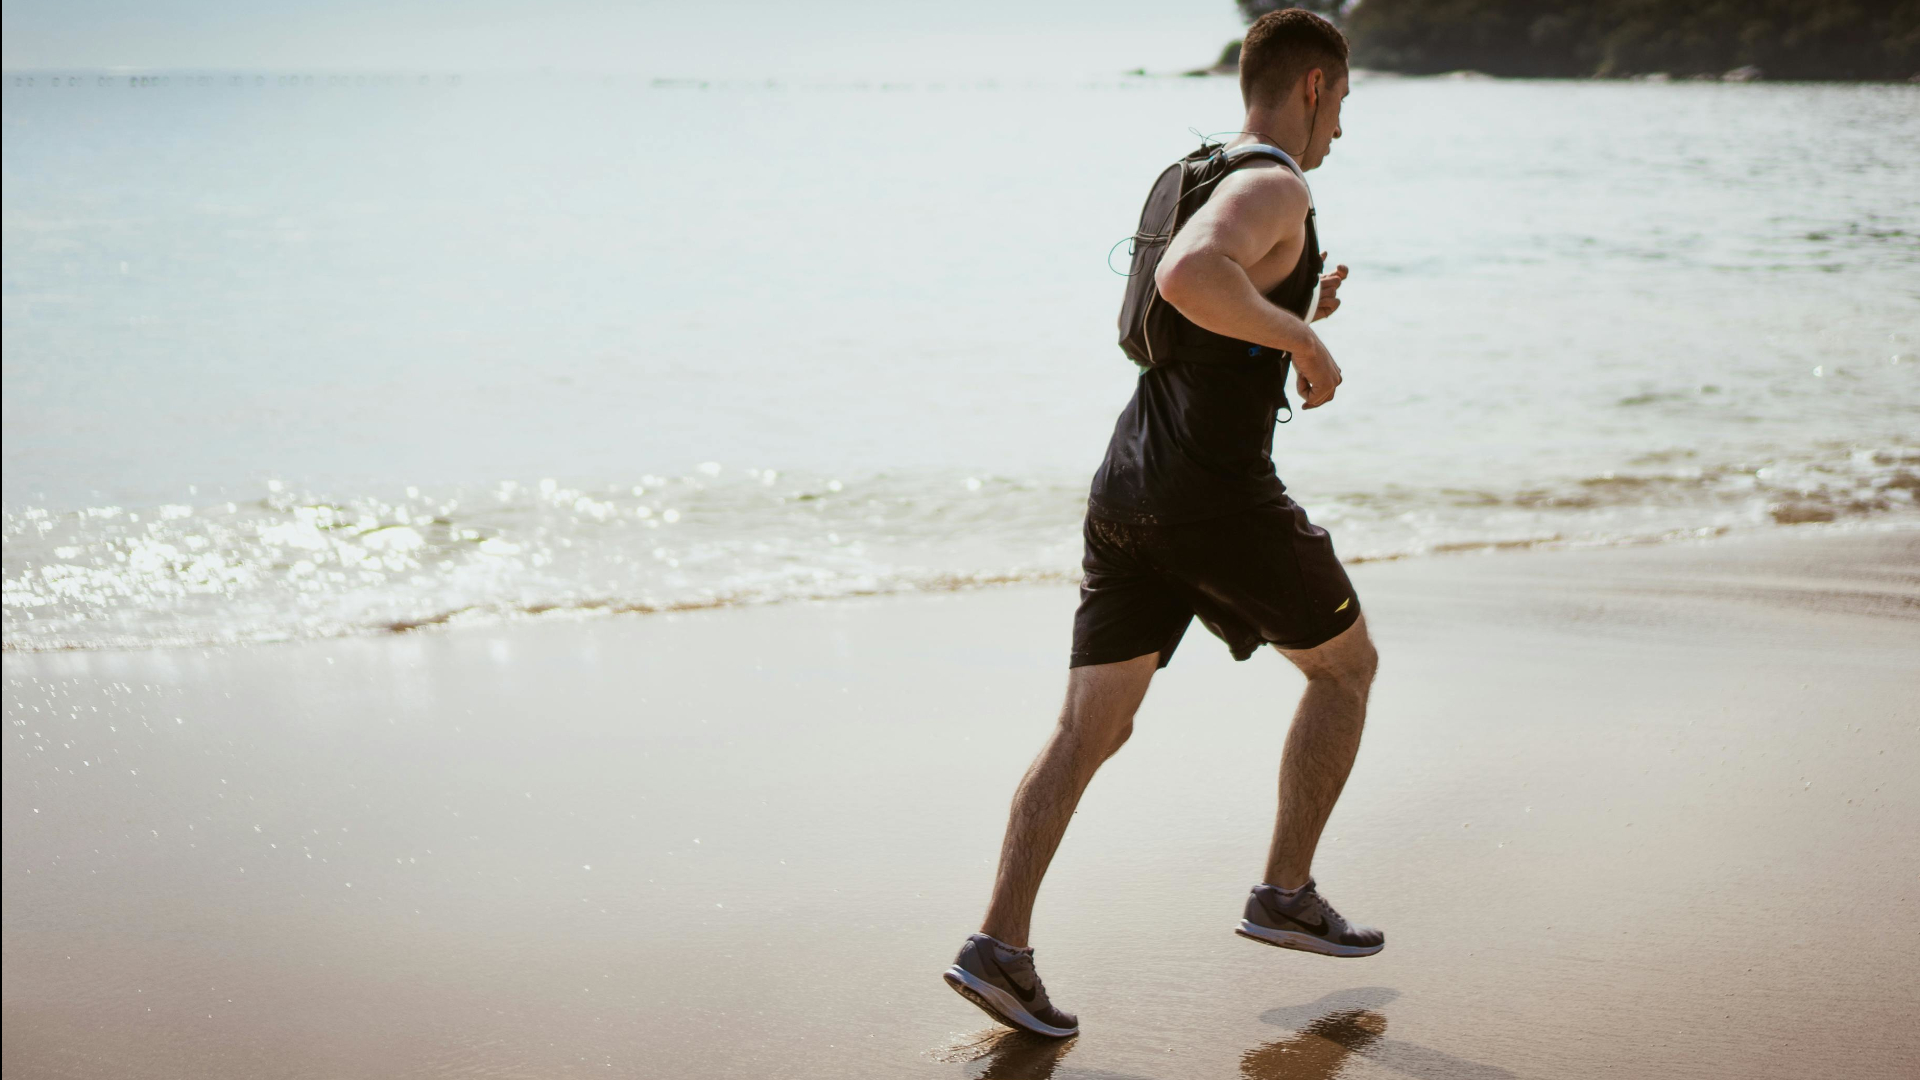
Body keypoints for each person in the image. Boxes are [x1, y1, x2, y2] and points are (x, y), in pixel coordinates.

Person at [942, 9, 1378, 1039]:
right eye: (1345, 104)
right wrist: (1304, 345)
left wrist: (1288, 315)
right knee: (1346, 670)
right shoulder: (1277, 182)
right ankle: (1285, 891)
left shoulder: (1194, 170)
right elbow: (1190, 279)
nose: (1343, 132)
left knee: (1090, 729)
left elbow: (1186, 323)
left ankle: (998, 946)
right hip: (1211, 497)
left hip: (1128, 488)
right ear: (1312, 86)